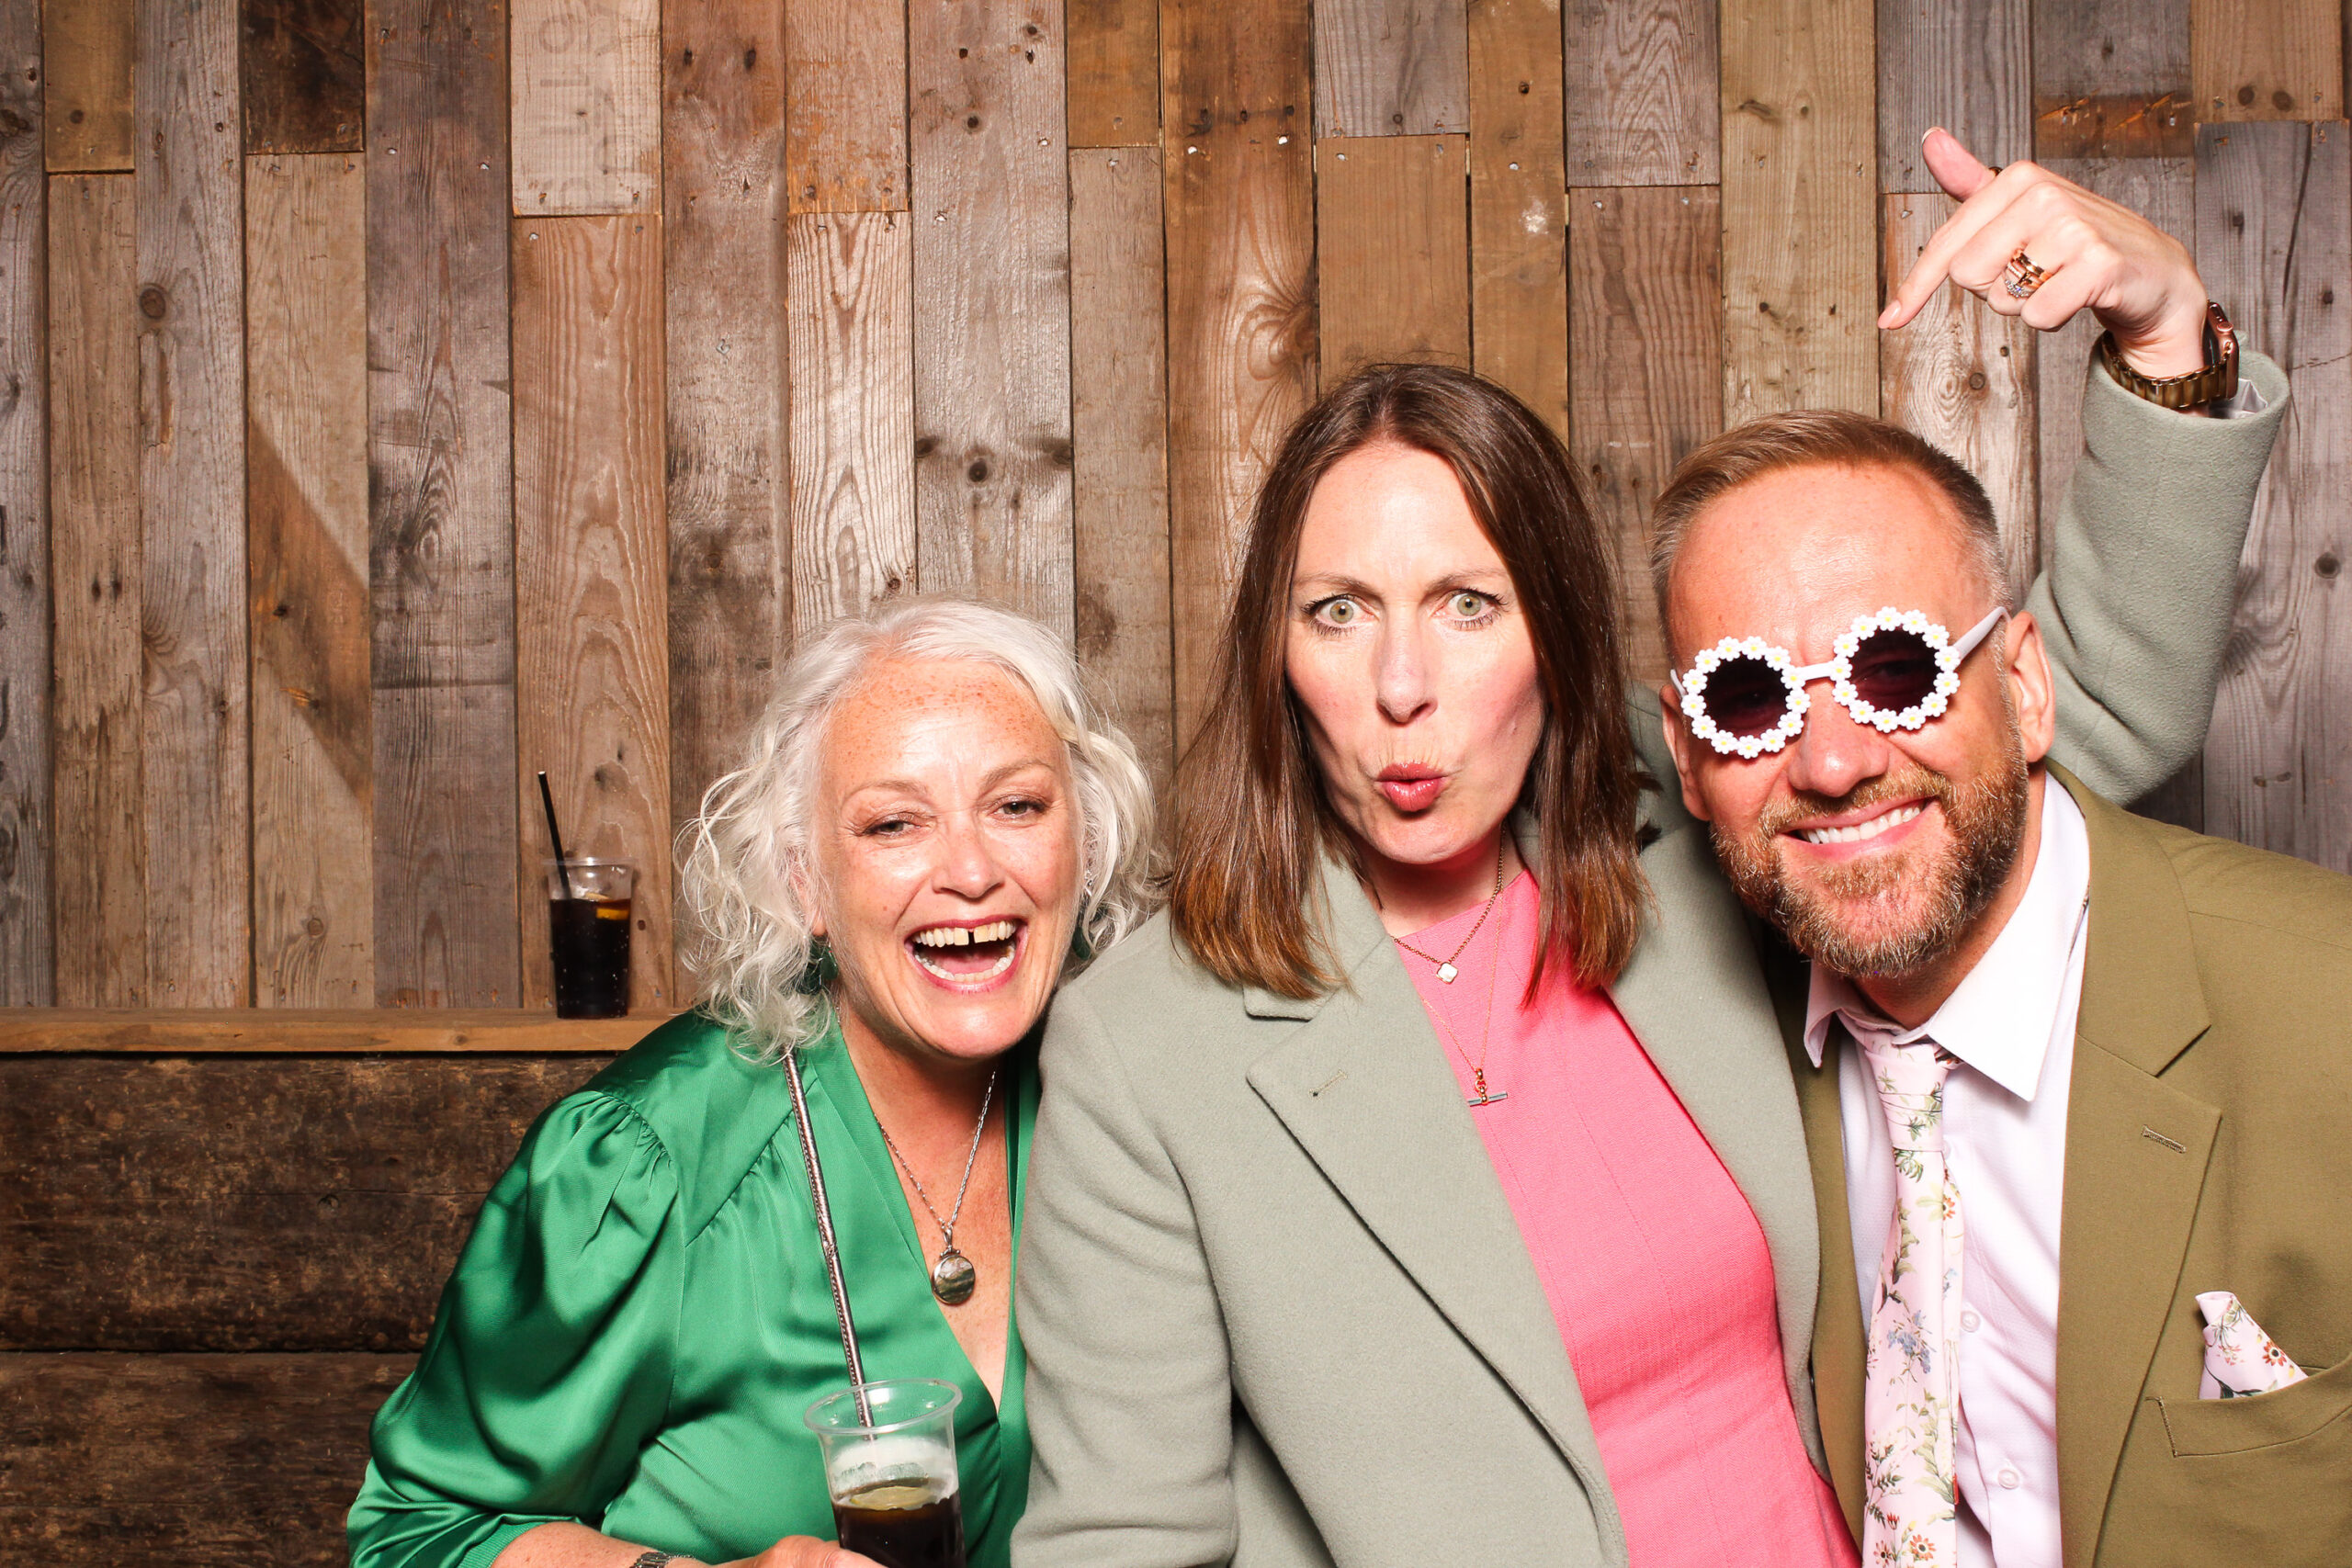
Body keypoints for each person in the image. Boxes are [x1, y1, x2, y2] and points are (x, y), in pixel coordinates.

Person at [1010, 137, 2290, 1568]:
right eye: (1338, 610)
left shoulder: (1706, 828)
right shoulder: (1148, 1046)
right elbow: (1124, 1536)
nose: (1401, 686)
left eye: (1467, 603)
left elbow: (2025, 723)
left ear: (1554, 630)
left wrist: (2165, 342)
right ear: (1277, 651)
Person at [347, 599, 1156, 1568]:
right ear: (805, 882)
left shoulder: (1138, 1100)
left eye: (1016, 806)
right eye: (893, 823)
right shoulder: (643, 1162)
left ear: (1086, 841)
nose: (971, 870)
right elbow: (418, 1534)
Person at [1651, 443, 2350, 1560]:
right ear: (1688, 758)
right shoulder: (1710, 1041)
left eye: (1894, 670)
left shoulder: (2326, 998)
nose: (1830, 764)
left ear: (2022, 688)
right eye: (1748, 700)